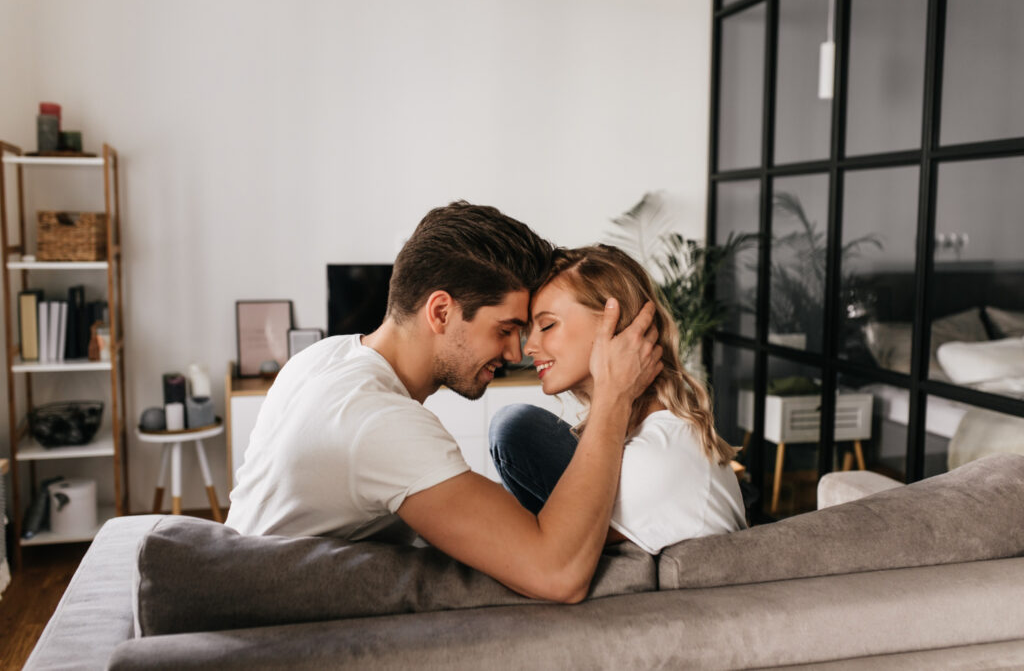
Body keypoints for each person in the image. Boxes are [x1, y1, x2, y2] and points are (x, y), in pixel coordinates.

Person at [225, 202, 663, 603]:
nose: (516, 353)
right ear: (440, 312)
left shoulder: (322, 357)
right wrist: (613, 396)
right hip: (279, 626)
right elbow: (559, 575)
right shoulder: (377, 421)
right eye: (505, 329)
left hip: (239, 584)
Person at [489, 244, 747, 554]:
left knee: (515, 426)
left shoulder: (652, 460)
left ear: (615, 324)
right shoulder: (642, 440)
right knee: (517, 428)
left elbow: (547, 556)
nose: (528, 347)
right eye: (529, 330)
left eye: (547, 325)